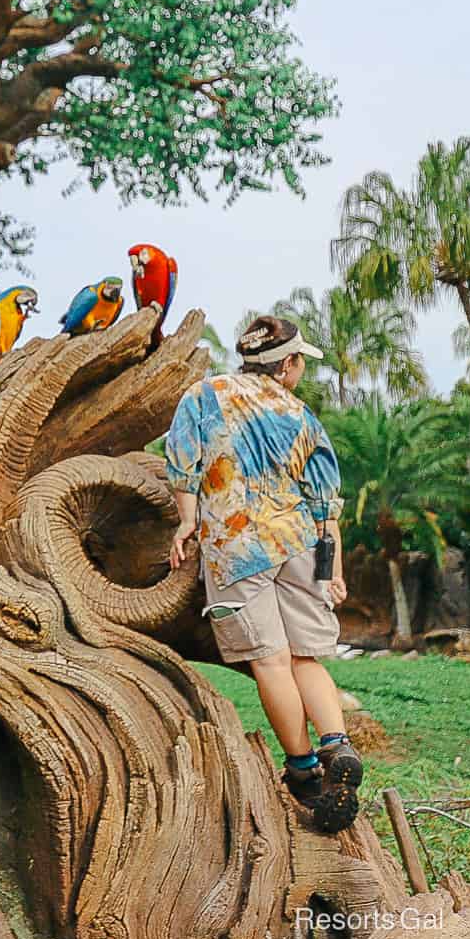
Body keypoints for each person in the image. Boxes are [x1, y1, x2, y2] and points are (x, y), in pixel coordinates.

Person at [166, 314, 362, 831]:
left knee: (271, 664)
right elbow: (326, 506)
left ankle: (302, 770)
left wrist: (187, 522)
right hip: (299, 543)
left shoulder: (204, 395)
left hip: (236, 549)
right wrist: (332, 569)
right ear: (289, 363)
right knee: (306, 657)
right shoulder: (300, 415)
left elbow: (182, 464)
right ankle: (337, 743)